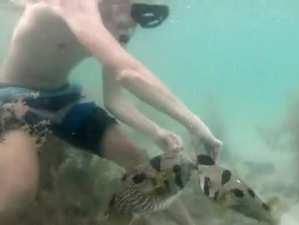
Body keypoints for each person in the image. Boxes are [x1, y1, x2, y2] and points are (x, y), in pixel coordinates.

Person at [0, 0, 222, 224]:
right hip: (13, 96)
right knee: (19, 190)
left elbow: (115, 100)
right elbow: (127, 73)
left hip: (64, 98)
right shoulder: (74, 5)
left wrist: (156, 132)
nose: (130, 19)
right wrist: (194, 124)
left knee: (144, 166)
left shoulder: (122, 23)